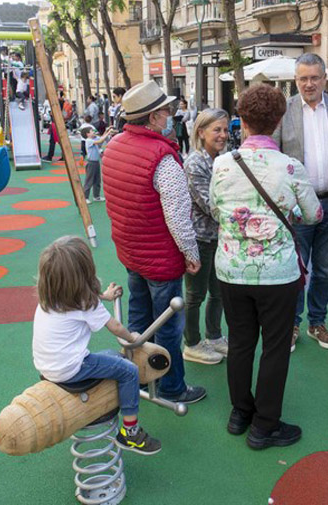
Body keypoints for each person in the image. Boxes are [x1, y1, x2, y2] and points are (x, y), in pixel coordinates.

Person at [211, 84, 322, 449]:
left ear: (241, 119)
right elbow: (313, 214)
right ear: (278, 121)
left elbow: (215, 210)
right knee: (275, 347)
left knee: (241, 342)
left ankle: (240, 412)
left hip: (231, 269)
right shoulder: (291, 167)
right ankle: (265, 425)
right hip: (277, 274)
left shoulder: (222, 164)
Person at [102, 80, 206, 405]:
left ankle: (137, 379)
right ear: (154, 117)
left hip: (131, 249)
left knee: (139, 318)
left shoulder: (114, 147)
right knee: (168, 327)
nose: (170, 115)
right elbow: (178, 215)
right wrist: (191, 253)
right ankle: (173, 386)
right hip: (160, 256)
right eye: (166, 110)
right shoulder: (163, 158)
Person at [33, 236, 161, 455]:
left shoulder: (49, 299)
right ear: (84, 273)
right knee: (129, 371)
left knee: (113, 356)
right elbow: (116, 327)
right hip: (71, 369)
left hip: (46, 368)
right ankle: (130, 432)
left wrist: (103, 296)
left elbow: (84, 304)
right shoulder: (85, 302)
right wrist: (134, 339)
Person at [272, 53, 328, 352]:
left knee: (325, 270)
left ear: (324, 79)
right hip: (296, 209)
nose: (308, 84)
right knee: (295, 270)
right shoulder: (283, 111)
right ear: (295, 80)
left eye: (314, 77)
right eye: (302, 78)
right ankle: (292, 324)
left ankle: (317, 322)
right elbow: (274, 158)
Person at [181, 108, 230, 365]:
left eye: (225, 130)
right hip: (200, 238)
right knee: (195, 295)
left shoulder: (221, 159)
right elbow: (209, 204)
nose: (223, 135)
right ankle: (191, 342)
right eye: (217, 130)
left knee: (219, 291)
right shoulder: (195, 163)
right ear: (201, 132)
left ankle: (213, 335)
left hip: (219, 237)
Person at [81, 125, 113, 202]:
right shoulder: (88, 140)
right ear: (87, 134)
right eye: (92, 131)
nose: (94, 132)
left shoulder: (93, 139)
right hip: (91, 163)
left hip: (96, 162)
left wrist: (106, 131)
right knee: (89, 180)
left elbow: (101, 137)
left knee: (97, 180)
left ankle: (96, 196)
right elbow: (101, 141)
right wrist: (108, 132)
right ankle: (85, 197)